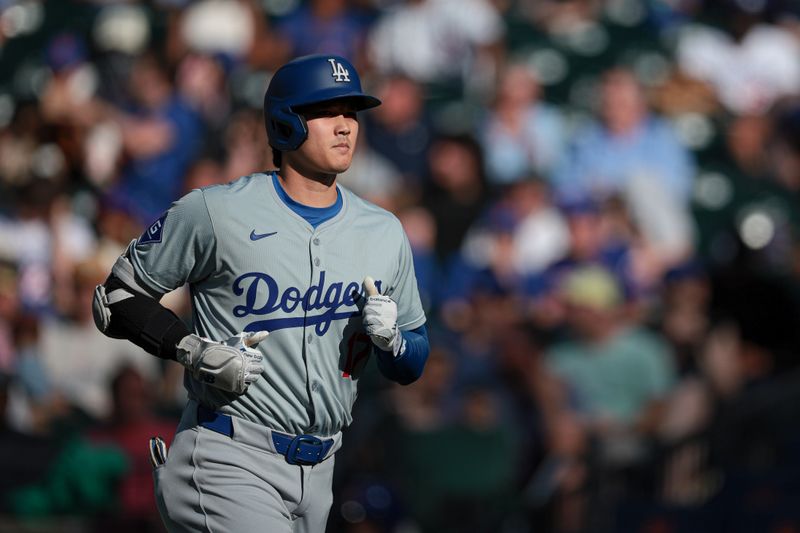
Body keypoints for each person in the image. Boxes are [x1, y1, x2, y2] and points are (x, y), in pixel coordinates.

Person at [91, 54, 430, 532]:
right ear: (285, 122)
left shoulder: (383, 231)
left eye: (351, 113)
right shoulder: (217, 210)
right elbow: (115, 298)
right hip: (227, 454)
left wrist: (394, 342)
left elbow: (414, 361)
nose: (344, 127)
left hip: (322, 467)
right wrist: (193, 351)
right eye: (327, 112)